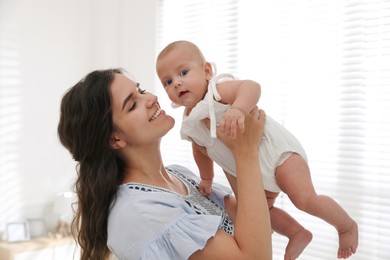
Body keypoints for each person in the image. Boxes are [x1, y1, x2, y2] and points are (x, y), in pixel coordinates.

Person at [156, 40, 359, 259]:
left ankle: (346, 226)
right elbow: (200, 149)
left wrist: (238, 109)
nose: (176, 83)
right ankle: (296, 233)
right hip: (252, 171)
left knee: (304, 199)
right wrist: (207, 178)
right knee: (258, 212)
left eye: (183, 72)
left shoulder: (217, 91)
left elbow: (251, 86)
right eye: (168, 81)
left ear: (207, 71)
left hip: (277, 154)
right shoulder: (190, 122)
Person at [57, 68, 272, 260]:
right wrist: (245, 153)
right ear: (115, 139)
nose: (150, 98)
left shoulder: (180, 176)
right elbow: (256, 256)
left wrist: (225, 143)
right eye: (132, 105)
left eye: (140, 90)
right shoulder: (142, 213)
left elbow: (257, 229)